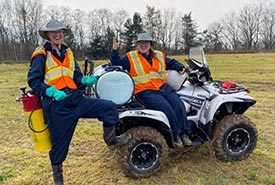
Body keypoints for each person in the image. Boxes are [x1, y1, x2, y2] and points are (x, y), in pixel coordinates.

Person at [27, 19, 130, 185]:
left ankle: (111, 140)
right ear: (47, 35)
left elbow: (76, 77)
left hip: (76, 98)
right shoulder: (40, 54)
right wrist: (50, 91)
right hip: (57, 104)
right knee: (59, 146)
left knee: (109, 107)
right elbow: (33, 80)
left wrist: (85, 80)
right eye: (54, 32)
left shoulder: (68, 52)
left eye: (60, 32)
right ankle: (58, 180)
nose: (58, 35)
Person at [110, 32, 193, 149]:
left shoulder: (159, 55)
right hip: (144, 90)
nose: (143, 45)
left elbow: (171, 62)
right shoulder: (130, 57)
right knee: (166, 107)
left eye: (146, 43)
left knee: (178, 104)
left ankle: (185, 133)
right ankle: (175, 135)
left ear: (150, 44)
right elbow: (116, 64)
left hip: (161, 87)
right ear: (137, 45)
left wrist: (180, 67)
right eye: (140, 43)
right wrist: (114, 51)